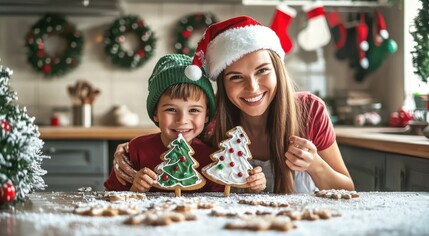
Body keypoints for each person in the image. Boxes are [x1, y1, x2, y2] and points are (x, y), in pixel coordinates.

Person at [113, 16, 354, 194]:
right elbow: (174, 137)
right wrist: (130, 150)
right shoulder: (211, 122)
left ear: (278, 70)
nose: (253, 88)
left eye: (262, 71)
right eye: (236, 77)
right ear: (223, 84)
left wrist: (316, 166)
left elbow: (348, 189)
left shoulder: (309, 110)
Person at [104, 53, 265, 193]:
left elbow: (221, 203)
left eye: (194, 110)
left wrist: (252, 185)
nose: (182, 120)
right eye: (171, 110)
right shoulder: (135, 151)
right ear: (155, 114)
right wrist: (135, 189)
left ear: (207, 115)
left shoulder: (211, 160)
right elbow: (109, 197)